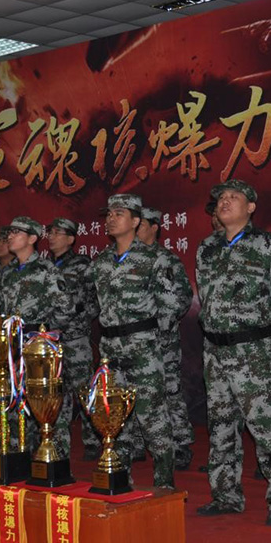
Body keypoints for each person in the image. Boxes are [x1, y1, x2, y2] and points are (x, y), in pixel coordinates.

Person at [194, 179, 271, 527]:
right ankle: (226, 496)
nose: (224, 202)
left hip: (253, 351)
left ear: (251, 207)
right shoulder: (207, 248)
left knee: (267, 426)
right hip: (215, 351)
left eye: (233, 197)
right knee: (221, 426)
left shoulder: (268, 245)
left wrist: (259, 328)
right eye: (221, 198)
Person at [86, 195, 181, 490]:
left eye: (119, 213)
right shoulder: (101, 262)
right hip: (110, 349)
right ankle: (119, 478)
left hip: (143, 347)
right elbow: (94, 304)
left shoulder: (154, 259)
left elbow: (170, 306)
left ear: (136, 221)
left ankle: (164, 482)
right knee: (114, 416)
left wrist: (152, 340)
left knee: (152, 415)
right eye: (109, 214)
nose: (111, 219)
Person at [0, 216, 74, 451]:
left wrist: (45, 336)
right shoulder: (8, 272)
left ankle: (55, 455)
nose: (10, 236)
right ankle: (20, 454)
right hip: (13, 345)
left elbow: (66, 308)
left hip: (38, 347)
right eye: (9, 232)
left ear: (32, 238)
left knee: (45, 401)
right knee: (15, 401)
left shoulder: (46, 270)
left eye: (17, 232)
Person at [137, 207, 194, 469]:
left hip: (162, 340)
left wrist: (161, 323)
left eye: (141, 224)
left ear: (154, 227)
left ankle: (180, 444)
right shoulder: (129, 260)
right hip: (136, 341)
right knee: (136, 391)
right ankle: (137, 442)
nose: (135, 229)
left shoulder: (167, 260)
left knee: (169, 390)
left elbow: (183, 299)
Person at [45, 217, 101, 460]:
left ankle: (94, 438)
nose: (51, 236)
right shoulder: (44, 266)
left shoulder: (83, 265)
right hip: (50, 340)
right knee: (57, 393)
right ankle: (60, 441)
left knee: (84, 389)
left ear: (70, 238)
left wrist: (79, 319)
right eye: (50, 232)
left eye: (57, 233)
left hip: (75, 338)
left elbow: (95, 300)